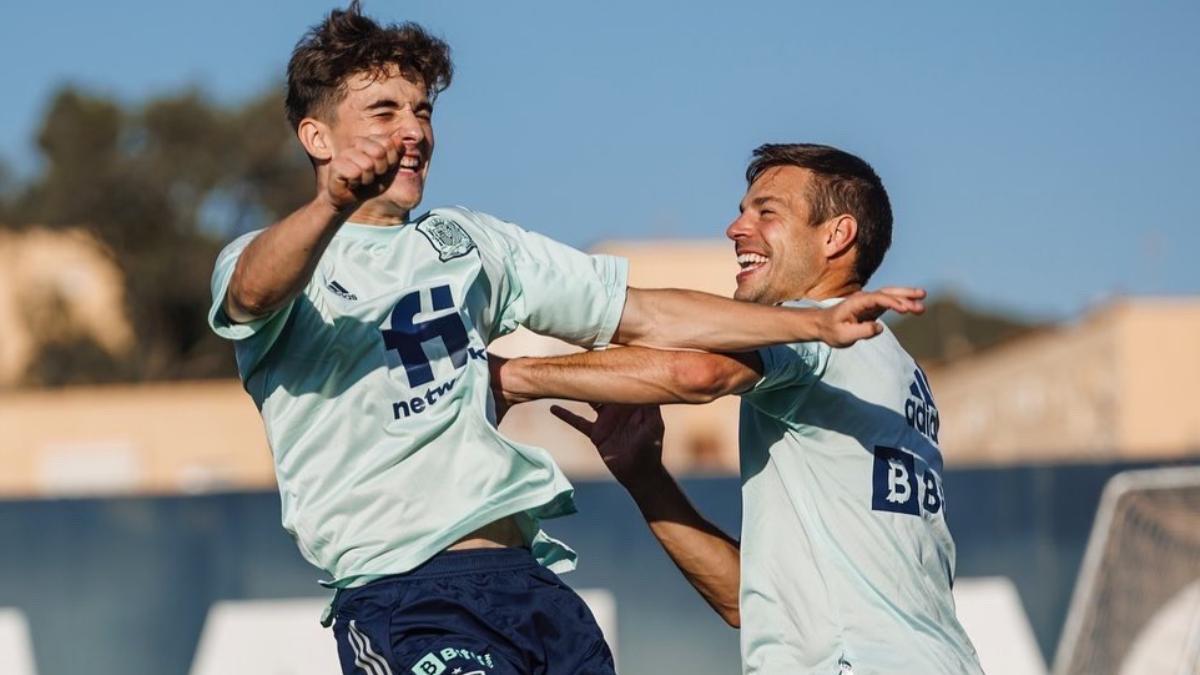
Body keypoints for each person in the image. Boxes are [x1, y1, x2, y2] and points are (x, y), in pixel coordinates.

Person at [207, 4, 924, 673]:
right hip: (407, 598)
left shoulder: (472, 243)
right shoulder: (264, 261)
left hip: (532, 592)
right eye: (385, 111)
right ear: (317, 137)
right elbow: (251, 294)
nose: (415, 131)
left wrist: (814, 321)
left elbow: (644, 313)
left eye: (423, 111)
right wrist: (333, 199)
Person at [495, 144, 984, 674]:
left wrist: (514, 377)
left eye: (765, 212)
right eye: (742, 209)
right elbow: (740, 601)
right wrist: (644, 476)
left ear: (836, 235)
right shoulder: (890, 368)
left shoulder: (817, 331)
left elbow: (697, 372)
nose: (735, 228)